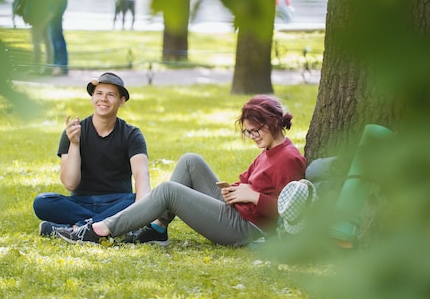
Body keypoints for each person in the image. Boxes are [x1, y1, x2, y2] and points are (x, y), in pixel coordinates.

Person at [55, 95, 307, 246]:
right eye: (248, 132)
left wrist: (253, 197)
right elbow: (249, 180)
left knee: (169, 191)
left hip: (250, 227)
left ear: (273, 123)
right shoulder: (268, 150)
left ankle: (98, 230)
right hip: (239, 209)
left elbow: (292, 216)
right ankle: (157, 229)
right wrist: (237, 189)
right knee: (190, 160)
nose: (252, 136)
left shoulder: (288, 159)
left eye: (255, 130)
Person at [34, 72, 152, 235]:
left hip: (118, 201)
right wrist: (75, 143)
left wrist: (141, 212)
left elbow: (142, 175)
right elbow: (70, 184)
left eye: (111, 95)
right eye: (99, 94)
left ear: (122, 101)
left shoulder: (131, 134)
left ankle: (77, 228)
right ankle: (103, 225)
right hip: (79, 203)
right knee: (42, 202)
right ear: (92, 99)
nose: (103, 99)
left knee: (140, 199)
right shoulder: (73, 132)